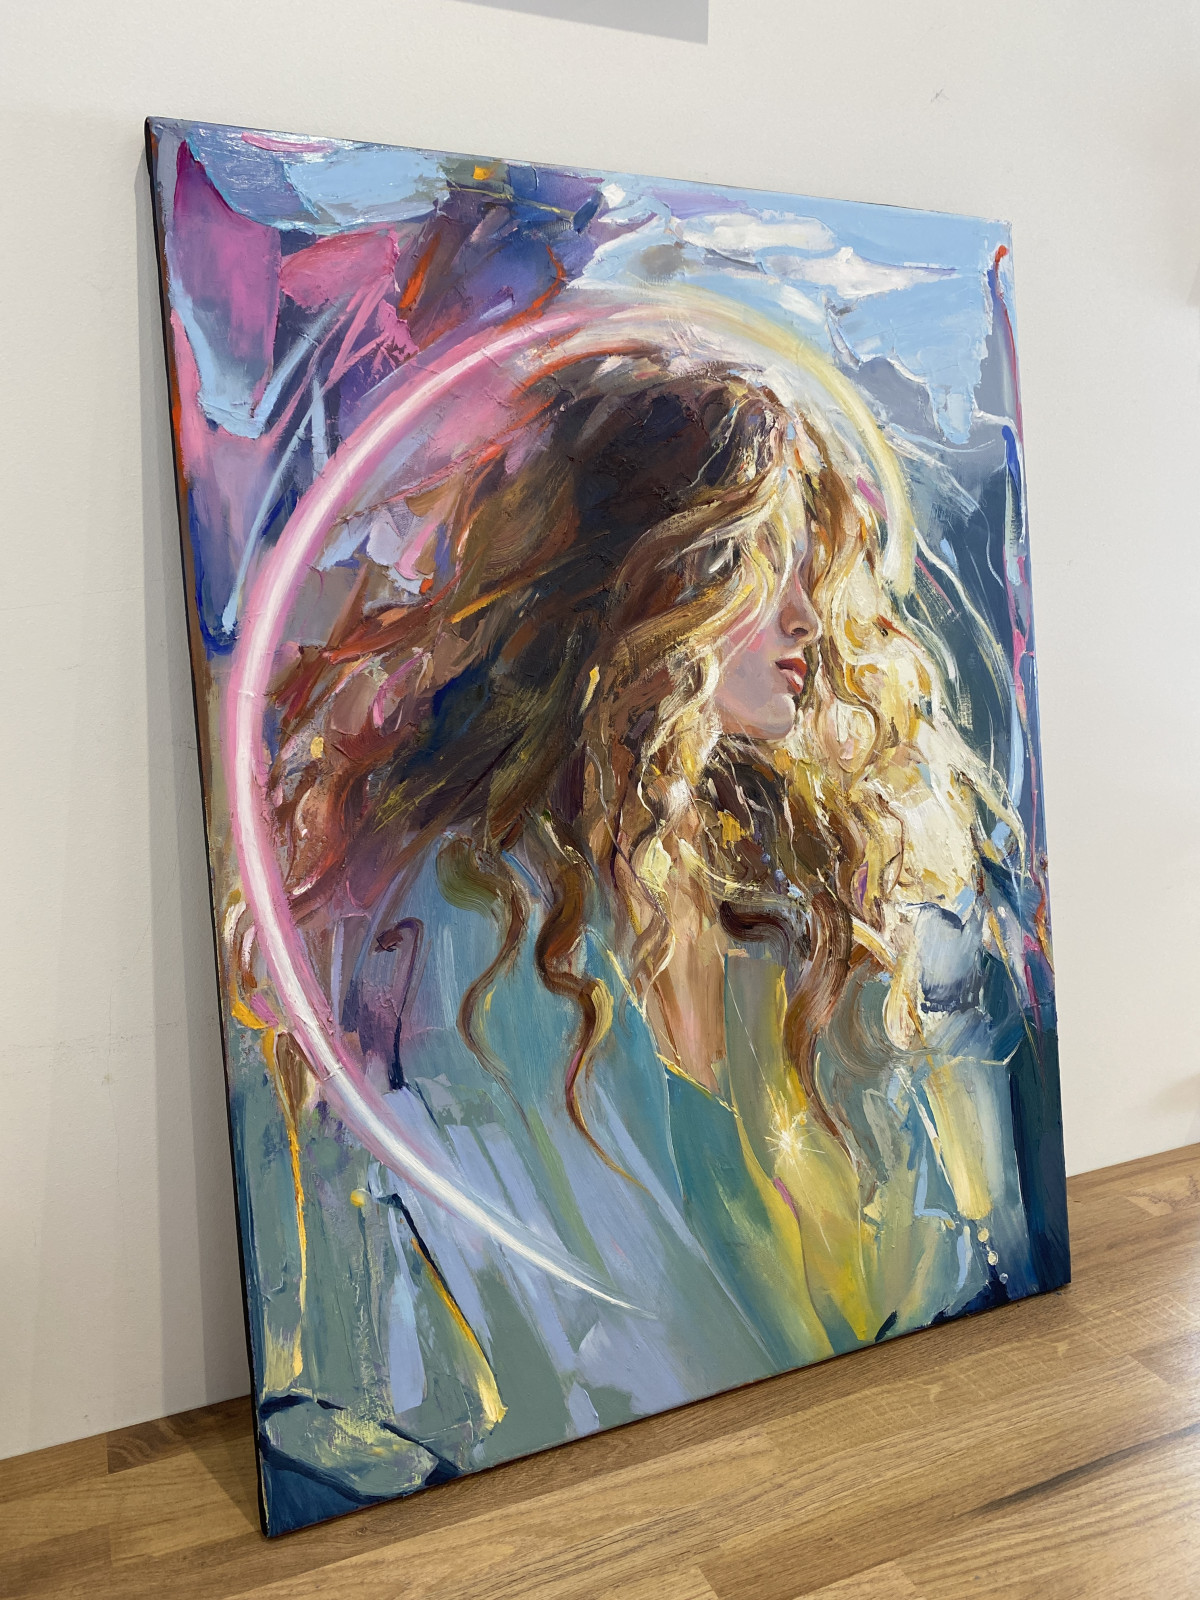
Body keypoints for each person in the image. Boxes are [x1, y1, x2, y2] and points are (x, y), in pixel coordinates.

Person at [252, 342, 1041, 1484]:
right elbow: (564, 1333)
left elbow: (930, 1242)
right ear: (645, 584)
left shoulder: (788, 881)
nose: (807, 618)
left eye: (810, 569)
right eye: (757, 564)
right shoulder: (467, 924)